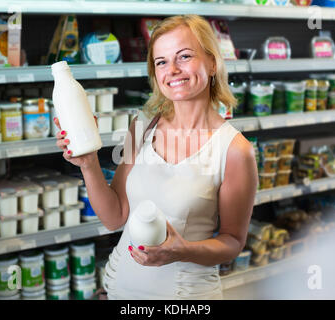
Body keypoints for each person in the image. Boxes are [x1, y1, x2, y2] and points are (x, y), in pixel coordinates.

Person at [54, 14, 258, 300]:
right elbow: (115, 217)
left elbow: (233, 241)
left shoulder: (235, 150)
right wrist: (88, 163)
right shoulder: (143, 125)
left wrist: (183, 250)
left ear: (212, 62)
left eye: (184, 56)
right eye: (161, 62)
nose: (172, 69)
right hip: (119, 290)